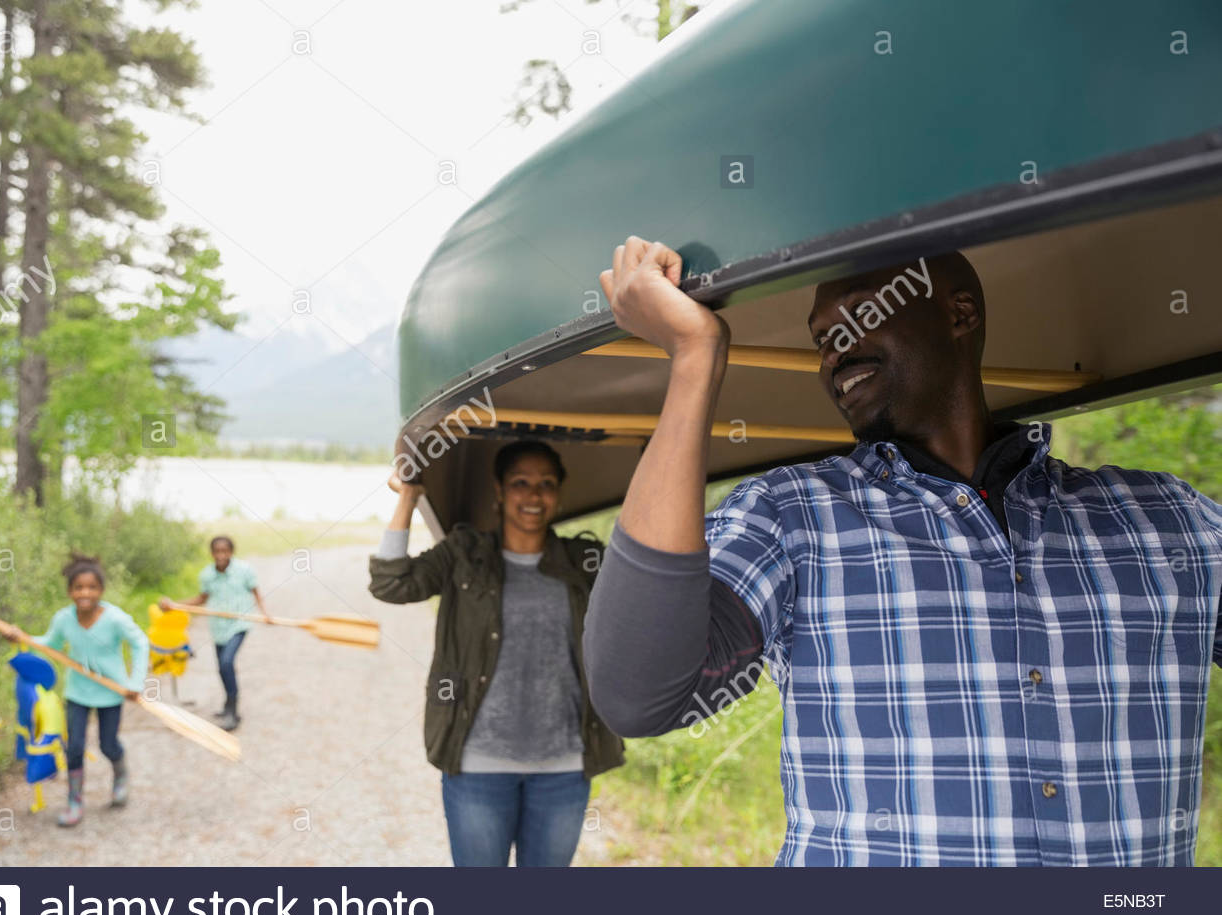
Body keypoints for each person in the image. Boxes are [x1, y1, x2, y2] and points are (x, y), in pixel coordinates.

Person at [583, 236, 1222, 866]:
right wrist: (695, 356)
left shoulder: (1168, 519)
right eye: (820, 339)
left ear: (959, 312)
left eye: (860, 314)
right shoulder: (790, 513)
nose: (834, 352)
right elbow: (638, 695)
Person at [369, 440, 625, 866]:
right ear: (500, 491)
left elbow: (643, 598)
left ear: (559, 492)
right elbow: (390, 583)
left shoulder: (584, 561)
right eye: (520, 482)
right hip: (477, 765)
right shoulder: (464, 555)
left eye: (546, 483)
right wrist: (408, 498)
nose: (533, 495)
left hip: (563, 767)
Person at [5, 553, 148, 827]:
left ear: (101, 590)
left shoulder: (115, 619)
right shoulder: (64, 619)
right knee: (75, 747)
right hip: (78, 693)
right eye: (79, 587)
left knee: (108, 744)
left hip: (111, 692)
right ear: (70, 591)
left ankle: (120, 777)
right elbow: (50, 645)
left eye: (91, 587)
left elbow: (140, 643)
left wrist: (135, 683)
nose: (85, 593)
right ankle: (74, 801)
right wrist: (21, 637)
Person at [160, 536, 269, 731]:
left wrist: (265, 614)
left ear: (231, 552)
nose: (221, 555)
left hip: (239, 623)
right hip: (218, 628)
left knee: (227, 662)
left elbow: (255, 591)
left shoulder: (244, 570)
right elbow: (202, 599)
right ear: (212, 553)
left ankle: (233, 712)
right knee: (222, 668)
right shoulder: (207, 575)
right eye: (217, 551)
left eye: (225, 551)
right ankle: (228, 703)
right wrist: (174, 605)